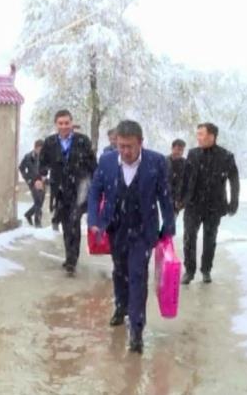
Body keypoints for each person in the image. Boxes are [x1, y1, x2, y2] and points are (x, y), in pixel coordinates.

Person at [87, 120, 176, 354]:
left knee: (137, 275)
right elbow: (95, 191)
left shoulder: (156, 162)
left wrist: (169, 226)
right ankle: (121, 306)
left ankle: (136, 330)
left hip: (143, 230)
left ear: (140, 143)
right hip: (115, 227)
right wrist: (94, 220)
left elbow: (165, 196)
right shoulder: (106, 161)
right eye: (121, 146)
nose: (125, 151)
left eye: (130, 146)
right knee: (119, 271)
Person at [35, 110, 97, 275]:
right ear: (56, 125)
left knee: (74, 222)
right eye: (60, 123)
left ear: (71, 123)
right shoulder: (50, 143)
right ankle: (70, 255)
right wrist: (40, 178)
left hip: (78, 190)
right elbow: (43, 164)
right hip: (60, 191)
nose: (64, 126)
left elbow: (93, 165)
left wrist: (96, 185)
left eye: (66, 123)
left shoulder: (82, 141)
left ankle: (72, 260)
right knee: (65, 223)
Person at [180, 123, 240, 285]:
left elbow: (234, 180)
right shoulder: (193, 154)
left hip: (214, 205)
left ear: (212, 136)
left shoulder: (226, 156)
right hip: (193, 204)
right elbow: (185, 178)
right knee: (189, 237)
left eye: (201, 134)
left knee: (210, 238)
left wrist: (234, 202)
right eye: (198, 134)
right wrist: (180, 200)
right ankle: (189, 271)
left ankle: (206, 270)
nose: (198, 137)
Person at [19, 139, 46, 227]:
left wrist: (45, 176)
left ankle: (28, 214)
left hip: (42, 181)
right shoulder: (28, 157)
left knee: (40, 202)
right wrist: (28, 178)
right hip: (33, 182)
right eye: (39, 149)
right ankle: (37, 223)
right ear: (35, 148)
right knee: (38, 201)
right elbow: (21, 168)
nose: (41, 151)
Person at [167, 139, 187, 215]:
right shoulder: (163, 161)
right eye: (178, 149)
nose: (179, 152)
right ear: (172, 148)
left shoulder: (186, 164)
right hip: (163, 197)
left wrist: (182, 201)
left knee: (172, 219)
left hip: (177, 201)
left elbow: (187, 183)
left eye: (182, 150)